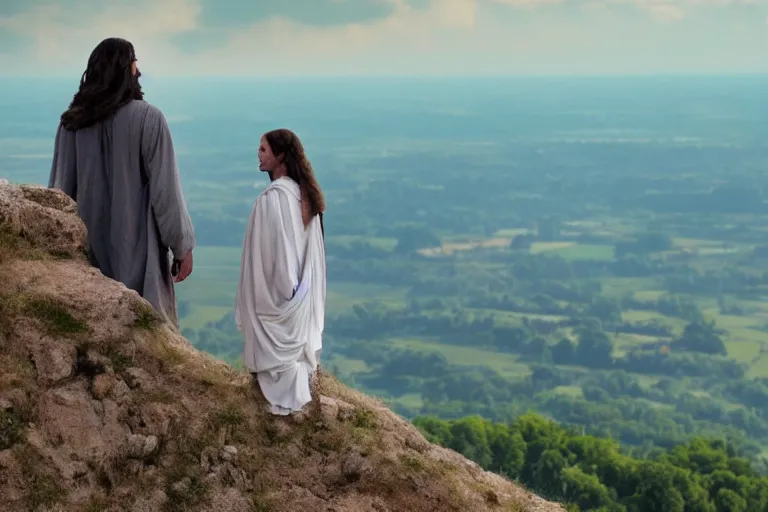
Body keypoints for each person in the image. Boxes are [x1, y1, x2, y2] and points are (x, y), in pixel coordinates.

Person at [48, 37, 196, 329]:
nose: (138, 70)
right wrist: (182, 247)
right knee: (146, 340)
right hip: (138, 257)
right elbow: (166, 195)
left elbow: (59, 193)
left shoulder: (71, 124)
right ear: (127, 70)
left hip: (84, 261)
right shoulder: (149, 119)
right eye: (134, 63)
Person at [235, 129, 327, 415]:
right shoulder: (304, 197)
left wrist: (284, 294)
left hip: (280, 297)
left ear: (281, 156)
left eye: (264, 149)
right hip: (299, 298)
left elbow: (279, 256)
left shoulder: (274, 199)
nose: (258, 154)